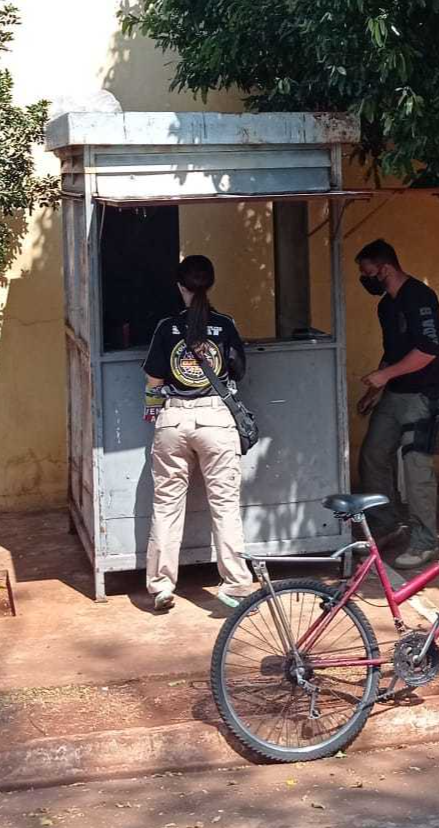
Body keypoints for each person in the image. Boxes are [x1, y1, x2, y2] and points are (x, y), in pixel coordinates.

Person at [141, 255, 258, 612]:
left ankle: (161, 586)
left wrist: (153, 411)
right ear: (211, 284)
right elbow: (238, 371)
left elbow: (153, 382)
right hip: (216, 421)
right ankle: (237, 585)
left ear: (180, 287)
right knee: (224, 506)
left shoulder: (165, 327)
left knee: (166, 506)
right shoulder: (225, 325)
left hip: (173, 421)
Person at [354, 238, 439, 568]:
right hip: (396, 393)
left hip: (425, 396)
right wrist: (375, 390)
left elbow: (427, 351)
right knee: (373, 454)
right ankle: (386, 523)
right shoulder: (386, 305)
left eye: (368, 273)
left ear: (386, 268)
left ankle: (425, 542)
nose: (366, 279)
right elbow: (393, 352)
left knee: (416, 467)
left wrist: (384, 377)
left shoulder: (420, 298)